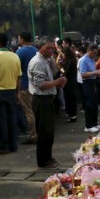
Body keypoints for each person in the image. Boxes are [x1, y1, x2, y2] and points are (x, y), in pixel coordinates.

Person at [27, 37, 67, 169]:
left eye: (52, 48)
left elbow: (54, 73)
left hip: (48, 99)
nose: (50, 51)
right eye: (47, 48)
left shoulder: (47, 60)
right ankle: (44, 161)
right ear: (40, 48)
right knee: (44, 131)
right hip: (41, 99)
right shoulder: (37, 62)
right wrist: (57, 83)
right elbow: (40, 85)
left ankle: (48, 157)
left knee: (49, 131)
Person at [16, 32, 38, 145]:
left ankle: (32, 135)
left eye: (19, 37)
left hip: (24, 84)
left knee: (28, 112)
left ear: (22, 39)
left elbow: (16, 70)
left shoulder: (20, 52)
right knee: (34, 110)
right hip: (36, 84)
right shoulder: (36, 51)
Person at [79, 44, 100, 132]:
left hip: (93, 82)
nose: (94, 55)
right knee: (89, 104)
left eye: (96, 53)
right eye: (93, 53)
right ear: (89, 51)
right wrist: (95, 72)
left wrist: (96, 72)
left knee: (94, 103)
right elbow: (83, 74)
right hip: (87, 83)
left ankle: (94, 123)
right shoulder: (84, 60)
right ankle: (88, 125)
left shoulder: (91, 59)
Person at [62, 47, 79, 123]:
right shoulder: (73, 60)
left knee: (69, 99)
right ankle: (73, 115)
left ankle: (72, 116)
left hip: (69, 83)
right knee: (72, 99)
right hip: (72, 82)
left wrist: (61, 69)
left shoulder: (69, 61)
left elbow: (66, 72)